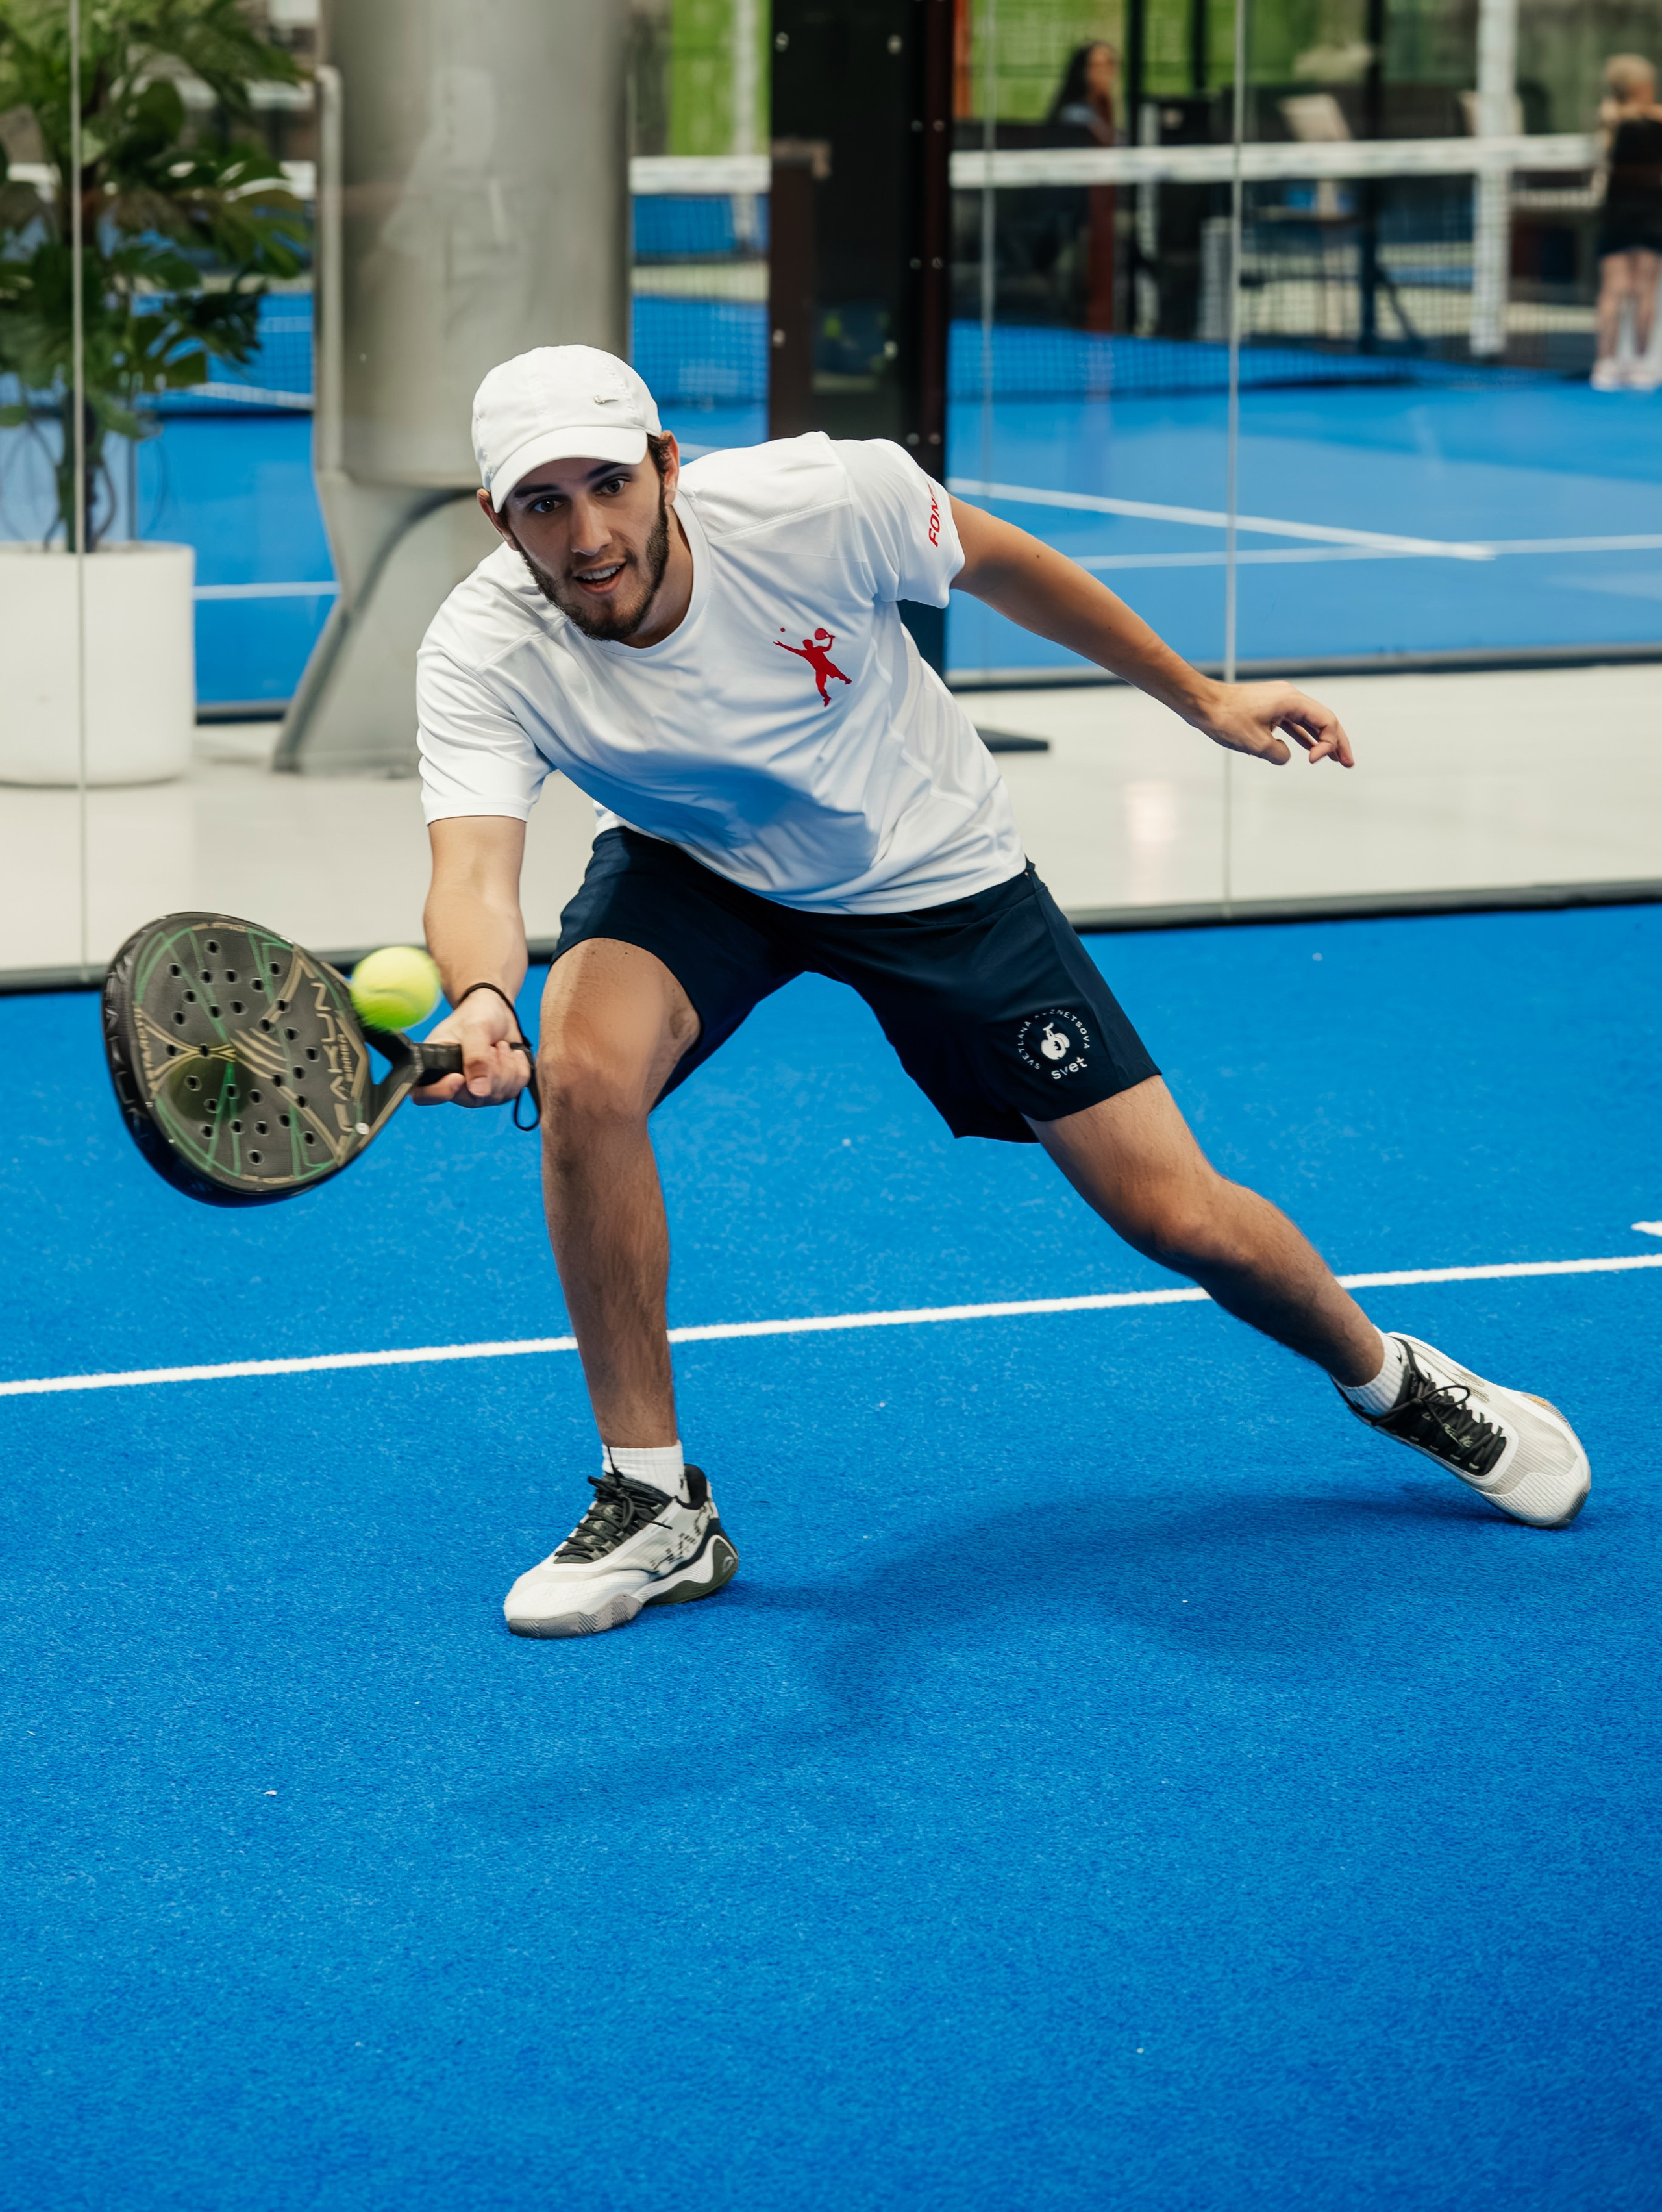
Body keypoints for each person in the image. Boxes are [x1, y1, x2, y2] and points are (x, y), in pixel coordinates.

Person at [414, 344, 1593, 1641]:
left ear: (665, 467)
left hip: (930, 868)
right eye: (543, 503)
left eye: (607, 485)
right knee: (584, 1071)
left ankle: (1392, 1381)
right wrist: (478, 996)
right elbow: (473, 866)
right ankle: (654, 1505)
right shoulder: (481, 645)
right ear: (496, 518)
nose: (586, 534)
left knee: (1172, 1212)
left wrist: (1198, 698)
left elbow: (1001, 564)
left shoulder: (824, 501)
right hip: (697, 866)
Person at [1591, 53, 1662, 391]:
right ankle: (1630, 364)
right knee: (1637, 289)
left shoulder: (1611, 119)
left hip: (1626, 213)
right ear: (1640, 87)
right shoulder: (1621, 119)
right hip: (1642, 213)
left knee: (1618, 289)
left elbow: (1612, 115)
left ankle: (1611, 364)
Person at [1047, 42, 1119, 333]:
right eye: (1095, 67)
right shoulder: (1076, 116)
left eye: (1108, 66)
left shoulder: (1108, 113)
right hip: (1080, 218)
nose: (1103, 74)